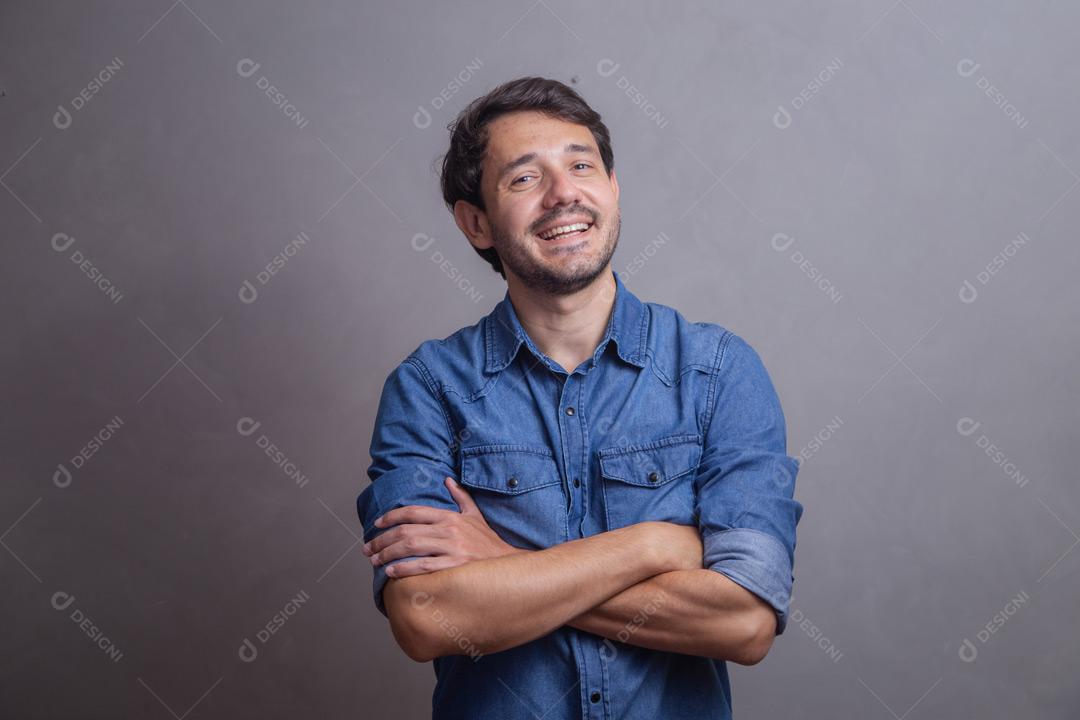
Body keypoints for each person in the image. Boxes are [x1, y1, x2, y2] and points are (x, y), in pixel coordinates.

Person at [356, 76, 804, 720]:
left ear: (613, 188)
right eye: (524, 179)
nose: (563, 194)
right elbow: (426, 618)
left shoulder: (718, 371)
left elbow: (745, 622)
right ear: (475, 222)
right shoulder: (427, 389)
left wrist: (507, 562)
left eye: (581, 165)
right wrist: (654, 546)